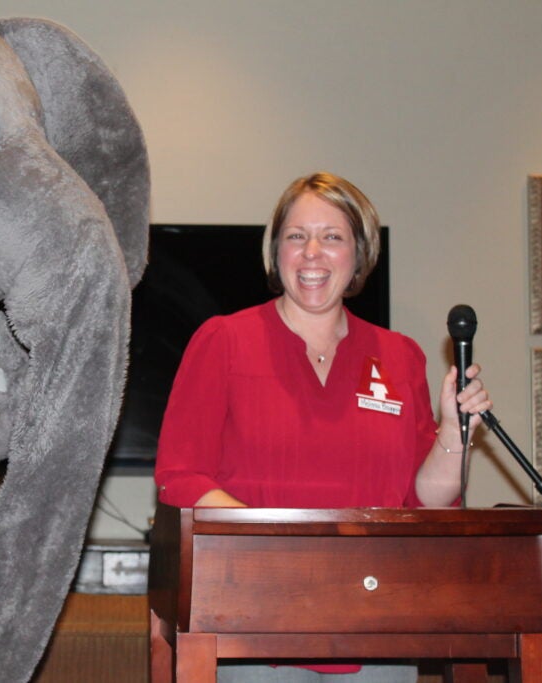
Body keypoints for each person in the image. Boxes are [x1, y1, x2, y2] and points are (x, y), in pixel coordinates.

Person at [153, 172, 492, 682]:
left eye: (332, 237)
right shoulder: (224, 340)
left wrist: (450, 433)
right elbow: (182, 477)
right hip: (251, 618)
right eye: (296, 236)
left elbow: (427, 498)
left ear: (359, 254)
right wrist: (284, 548)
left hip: (377, 623)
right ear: (276, 252)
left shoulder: (400, 357)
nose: (312, 252)